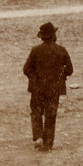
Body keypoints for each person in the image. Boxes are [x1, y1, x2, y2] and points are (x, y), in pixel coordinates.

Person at [22, 22, 73, 152]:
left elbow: (26, 69)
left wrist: (34, 79)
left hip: (37, 88)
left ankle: (38, 136)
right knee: (51, 115)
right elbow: (70, 70)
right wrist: (60, 76)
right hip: (54, 89)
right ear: (53, 36)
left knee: (36, 112)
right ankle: (48, 144)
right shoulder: (61, 50)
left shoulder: (35, 50)